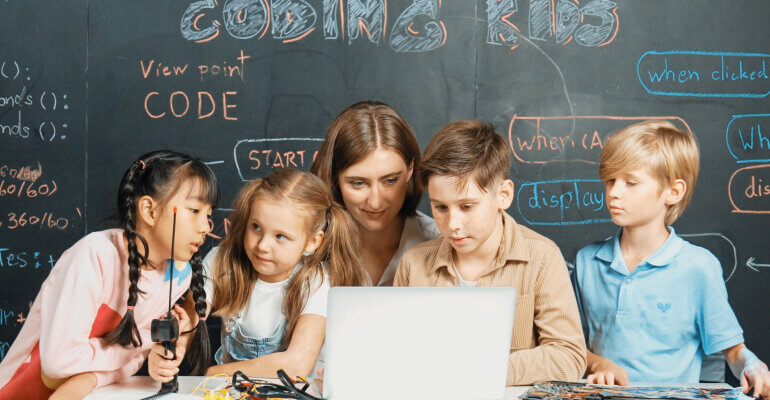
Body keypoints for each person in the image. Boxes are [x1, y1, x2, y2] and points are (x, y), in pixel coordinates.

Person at [574, 121, 770, 397]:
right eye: (610, 180)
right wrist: (598, 363)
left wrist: (753, 364)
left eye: (630, 182)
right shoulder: (587, 263)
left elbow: (733, 350)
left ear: (673, 192)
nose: (614, 192)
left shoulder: (698, 267)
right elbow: (567, 345)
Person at [0, 150, 217, 399]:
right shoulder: (95, 255)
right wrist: (145, 341)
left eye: (209, 216)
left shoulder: (177, 276)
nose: (205, 228)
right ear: (149, 210)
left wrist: (95, 377)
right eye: (194, 211)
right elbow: (59, 363)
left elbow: (133, 362)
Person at [394, 120, 587, 385]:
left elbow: (569, 357)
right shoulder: (413, 264)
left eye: (467, 206)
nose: (453, 224)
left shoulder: (542, 258)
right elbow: (396, 353)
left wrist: (483, 370)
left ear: (504, 195)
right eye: (440, 208)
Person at [203, 168, 366, 378]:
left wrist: (215, 372)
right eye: (256, 227)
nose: (262, 246)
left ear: (312, 242)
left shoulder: (317, 280)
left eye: (280, 236)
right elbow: (190, 317)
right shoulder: (221, 261)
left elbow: (297, 364)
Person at [311, 101, 440, 286]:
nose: (375, 202)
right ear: (334, 177)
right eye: (358, 183)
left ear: (410, 168)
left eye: (390, 181)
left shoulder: (440, 244)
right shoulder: (308, 244)